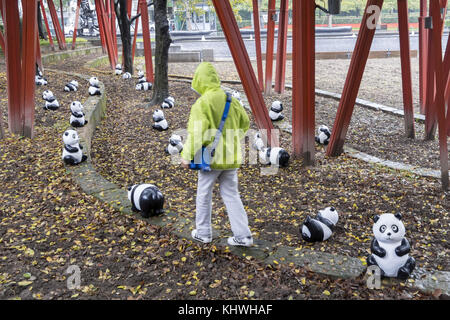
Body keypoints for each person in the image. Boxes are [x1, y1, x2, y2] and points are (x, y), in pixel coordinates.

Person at [180, 62, 253, 247]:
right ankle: (243, 236)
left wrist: (186, 155)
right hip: (231, 158)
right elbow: (245, 124)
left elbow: (197, 133)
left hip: (208, 160)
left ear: (199, 81)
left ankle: (203, 233)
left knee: (204, 194)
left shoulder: (202, 103)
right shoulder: (232, 100)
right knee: (231, 195)